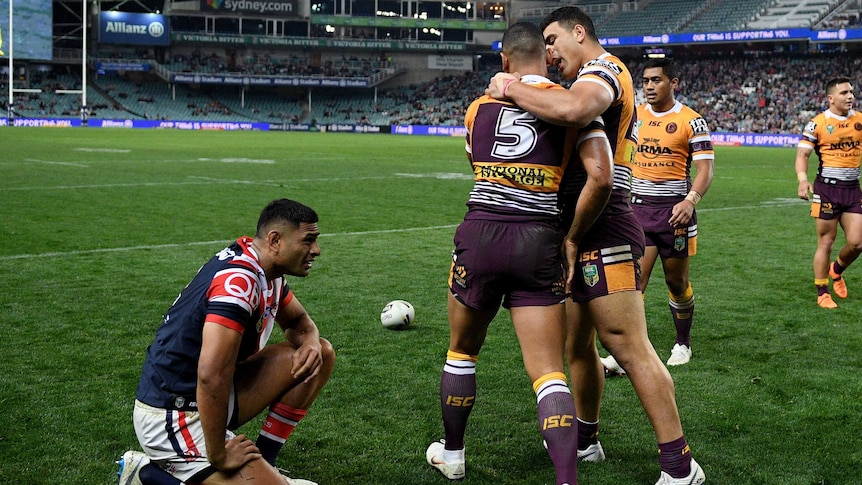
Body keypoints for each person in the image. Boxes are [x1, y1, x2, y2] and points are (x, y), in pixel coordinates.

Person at [486, 7, 705, 485]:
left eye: (551, 40)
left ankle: (680, 466)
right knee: (577, 345)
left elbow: (574, 111)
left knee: (627, 344)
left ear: (577, 32)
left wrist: (509, 86)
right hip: (576, 227)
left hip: (602, 225)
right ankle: (585, 441)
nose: (546, 52)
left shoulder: (604, 70)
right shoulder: (583, 75)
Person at [425, 22, 613, 485]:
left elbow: (477, 163)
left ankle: (453, 455)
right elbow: (601, 176)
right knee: (549, 373)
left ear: (504, 62)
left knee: (461, 353)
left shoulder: (477, 109)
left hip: (482, 232)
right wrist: (571, 236)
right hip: (539, 238)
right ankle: (567, 480)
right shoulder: (571, 106)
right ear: (545, 58)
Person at [118, 198, 335, 485]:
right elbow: (210, 375)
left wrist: (309, 343)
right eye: (308, 240)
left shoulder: (265, 268)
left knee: (320, 352)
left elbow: (300, 324)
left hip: (208, 397)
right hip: (172, 413)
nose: (316, 250)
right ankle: (147, 475)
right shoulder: (238, 283)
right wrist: (218, 454)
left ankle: (266, 464)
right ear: (275, 240)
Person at [630, 58, 715, 365]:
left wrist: (690, 200)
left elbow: (706, 169)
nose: (649, 86)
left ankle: (683, 343)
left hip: (675, 214)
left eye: (656, 80)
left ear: (673, 83)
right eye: (646, 81)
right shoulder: (634, 116)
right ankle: (628, 350)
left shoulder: (692, 121)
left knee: (675, 282)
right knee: (633, 283)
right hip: (638, 211)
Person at [796, 77, 862, 309]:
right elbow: (803, 155)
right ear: (831, 98)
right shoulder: (818, 124)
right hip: (827, 190)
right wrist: (803, 180)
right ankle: (822, 291)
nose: (850, 96)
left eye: (852, 92)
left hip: (852, 189)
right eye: (844, 92)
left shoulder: (860, 121)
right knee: (826, 241)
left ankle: (836, 270)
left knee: (857, 242)